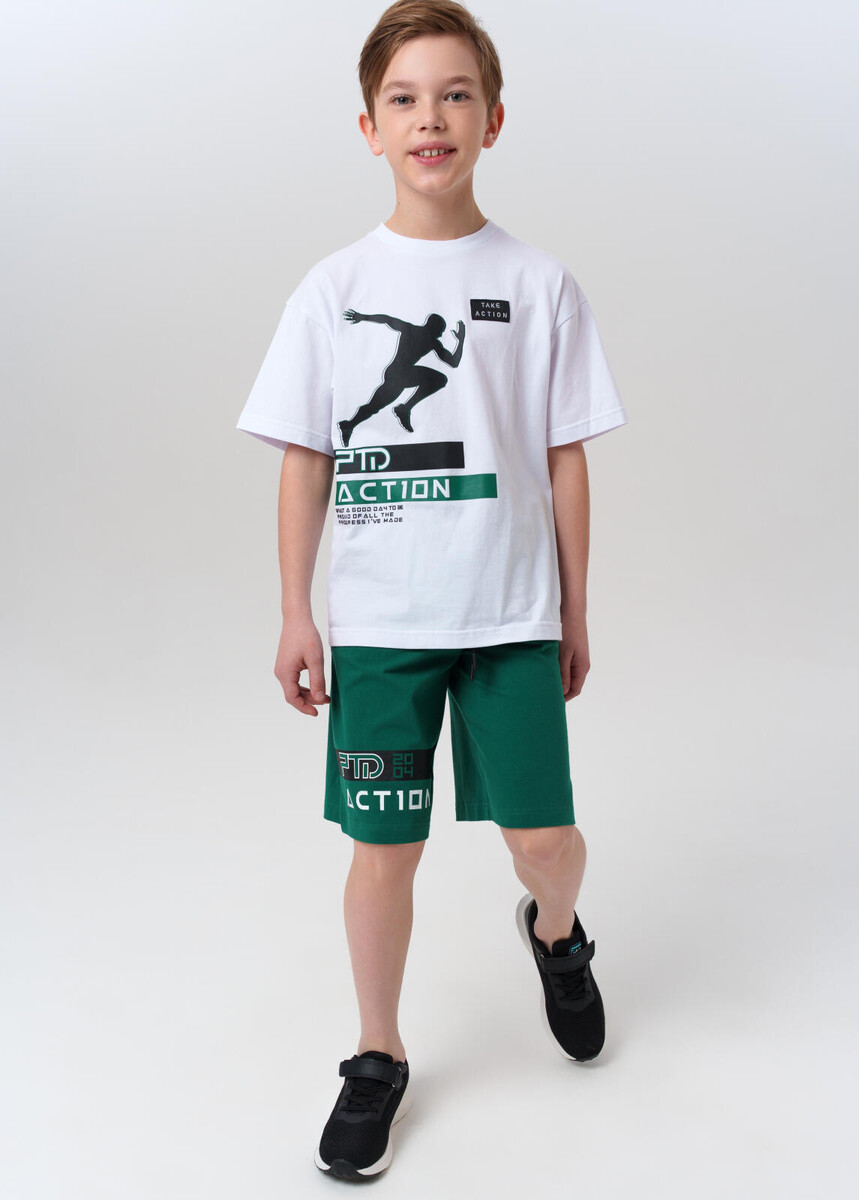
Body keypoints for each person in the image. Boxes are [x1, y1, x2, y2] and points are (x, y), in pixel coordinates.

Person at [235, 0, 627, 1181]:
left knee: (544, 839)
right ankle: (377, 1053)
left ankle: (557, 934)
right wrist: (297, 611)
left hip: (509, 615)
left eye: (456, 94)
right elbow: (307, 456)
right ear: (369, 128)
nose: (431, 118)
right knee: (383, 848)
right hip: (380, 626)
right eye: (404, 99)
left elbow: (564, 456)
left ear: (492, 119)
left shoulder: (539, 283)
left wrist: (573, 607)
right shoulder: (333, 287)